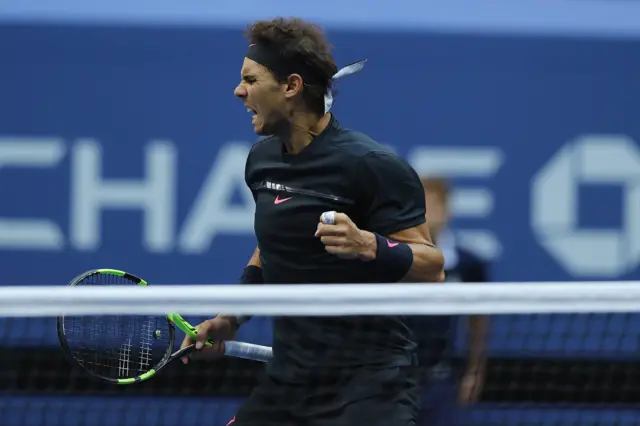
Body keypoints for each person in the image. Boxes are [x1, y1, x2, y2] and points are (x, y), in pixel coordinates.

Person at [180, 17, 445, 426]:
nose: (238, 91)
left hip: (369, 387)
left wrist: (369, 245)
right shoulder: (261, 160)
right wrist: (230, 317)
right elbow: (270, 248)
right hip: (290, 382)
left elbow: (432, 267)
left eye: (250, 79)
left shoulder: (371, 165)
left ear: (291, 86)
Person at [414, 177, 490, 426]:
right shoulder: (391, 257)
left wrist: (475, 371)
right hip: (393, 380)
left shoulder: (469, 264)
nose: (425, 214)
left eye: (432, 205)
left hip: (440, 382)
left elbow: (478, 321)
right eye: (419, 206)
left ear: (448, 211)